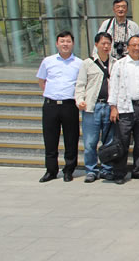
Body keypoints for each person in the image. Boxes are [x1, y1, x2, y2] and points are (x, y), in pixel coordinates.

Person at [36, 31, 83, 183]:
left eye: (68, 41)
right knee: (50, 139)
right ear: (57, 44)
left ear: (73, 43)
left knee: (71, 139)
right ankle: (51, 170)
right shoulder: (48, 61)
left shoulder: (79, 63)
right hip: (51, 106)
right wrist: (50, 94)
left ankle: (69, 170)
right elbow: (42, 80)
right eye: (62, 41)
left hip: (70, 105)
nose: (65, 44)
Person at [108, 35, 139, 184]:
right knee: (122, 141)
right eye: (134, 45)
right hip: (124, 108)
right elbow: (113, 86)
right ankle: (119, 173)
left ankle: (138, 170)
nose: (137, 48)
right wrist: (113, 107)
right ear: (127, 47)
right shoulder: (120, 64)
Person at [75, 32, 116, 183]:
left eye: (108, 44)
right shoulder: (87, 63)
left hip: (109, 106)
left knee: (109, 141)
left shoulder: (115, 63)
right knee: (90, 142)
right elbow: (80, 84)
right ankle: (91, 170)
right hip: (92, 107)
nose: (106, 46)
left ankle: (107, 169)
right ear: (96, 44)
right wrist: (80, 100)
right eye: (103, 43)